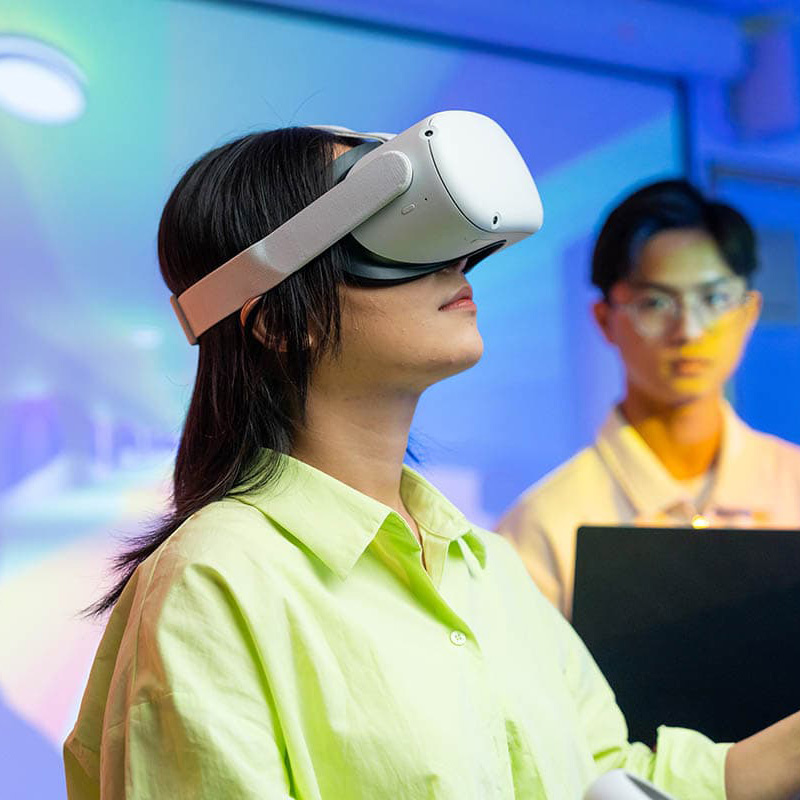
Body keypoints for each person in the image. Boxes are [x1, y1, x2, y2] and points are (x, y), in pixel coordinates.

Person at [63, 133, 800, 800]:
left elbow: (610, 777)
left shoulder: (487, 568)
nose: (456, 257)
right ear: (278, 318)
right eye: (388, 230)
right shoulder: (216, 583)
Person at [498, 179, 800, 620]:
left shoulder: (792, 484)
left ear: (749, 312)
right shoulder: (544, 524)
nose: (690, 331)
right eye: (656, 303)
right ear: (605, 319)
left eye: (714, 299)